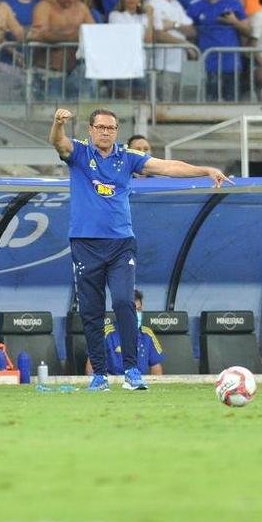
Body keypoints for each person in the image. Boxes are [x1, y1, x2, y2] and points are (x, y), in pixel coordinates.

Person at [51, 107, 229, 392]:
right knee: (91, 310)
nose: (106, 132)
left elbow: (166, 167)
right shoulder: (81, 153)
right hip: (85, 243)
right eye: (101, 127)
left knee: (124, 302)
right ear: (91, 129)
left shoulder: (127, 157)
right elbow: (59, 143)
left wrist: (205, 170)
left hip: (121, 243)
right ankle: (99, 375)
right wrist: (58, 124)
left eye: (111, 128)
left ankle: (132, 371)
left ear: (116, 131)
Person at [85, 290, 164, 376]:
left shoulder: (147, 334)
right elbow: (91, 369)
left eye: (138, 310)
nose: (136, 314)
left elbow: (157, 369)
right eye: (132, 310)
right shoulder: (106, 333)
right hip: (113, 385)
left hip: (139, 385)